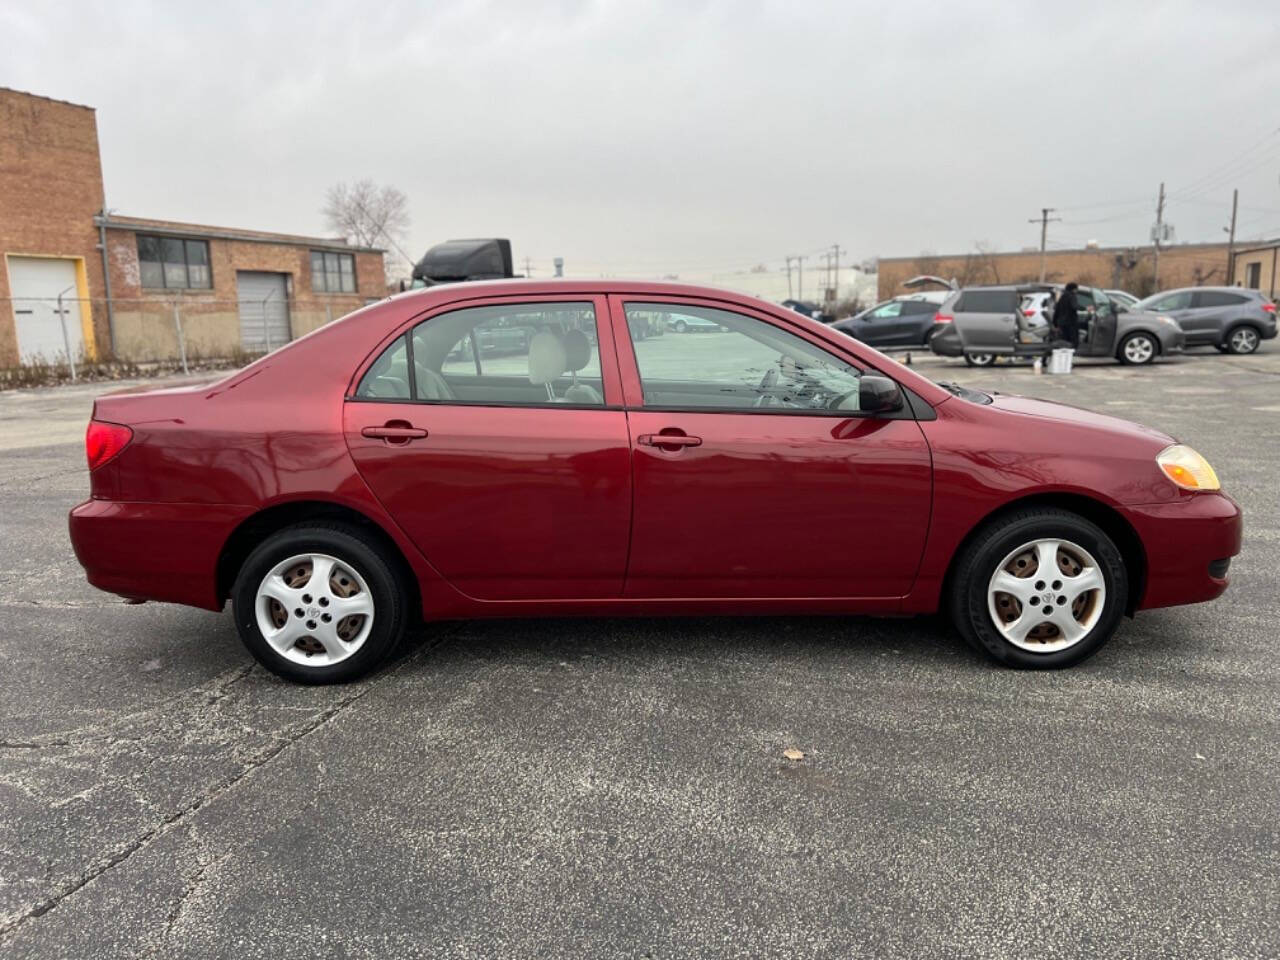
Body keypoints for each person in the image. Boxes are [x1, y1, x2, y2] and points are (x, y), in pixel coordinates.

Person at [1052, 282, 1081, 347]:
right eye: (1076, 289)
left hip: (1062, 323)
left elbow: (1057, 311)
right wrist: (1084, 308)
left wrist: (1055, 323)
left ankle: (1064, 353)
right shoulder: (1072, 296)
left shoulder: (1062, 297)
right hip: (1071, 323)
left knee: (1064, 340)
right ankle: (1071, 353)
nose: (1077, 291)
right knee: (1073, 341)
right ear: (1074, 289)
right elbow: (1074, 306)